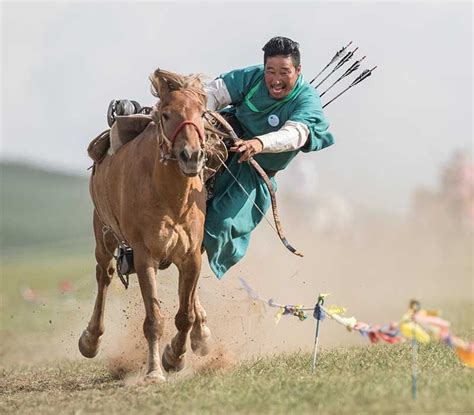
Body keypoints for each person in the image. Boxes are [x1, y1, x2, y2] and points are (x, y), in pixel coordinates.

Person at [107, 36, 334, 278]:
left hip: (253, 174)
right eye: (271, 71)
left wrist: (259, 143)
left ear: (298, 71)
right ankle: (135, 245)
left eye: (284, 72)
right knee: (170, 162)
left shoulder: (307, 99)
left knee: (219, 224)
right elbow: (212, 94)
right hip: (225, 139)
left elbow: (296, 133)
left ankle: (174, 256)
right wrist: (194, 110)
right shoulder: (252, 77)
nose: (276, 79)